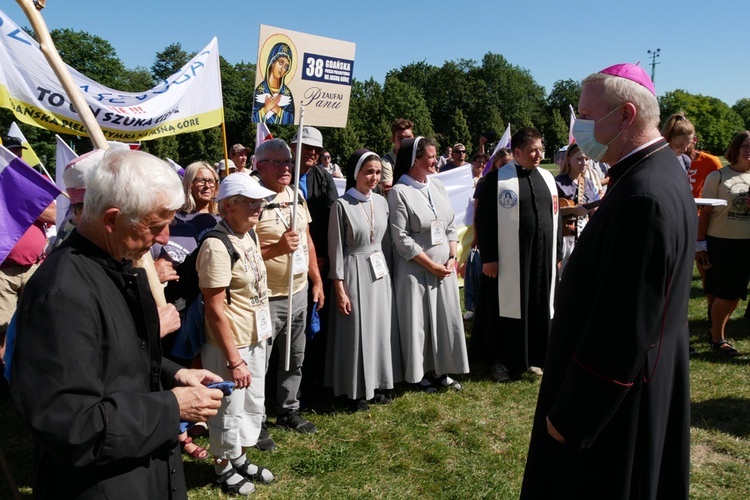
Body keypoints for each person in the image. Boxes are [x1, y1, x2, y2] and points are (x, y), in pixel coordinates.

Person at [522, 63, 695, 498]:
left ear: (626, 115)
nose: (577, 126)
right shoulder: (656, 172)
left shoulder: (644, 196)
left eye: (584, 114)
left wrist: (572, 414)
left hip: (613, 411)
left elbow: (622, 328)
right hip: (645, 384)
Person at [10, 148, 225, 498]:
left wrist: (173, 373)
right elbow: (72, 425)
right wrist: (173, 406)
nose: (164, 239)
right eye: (156, 226)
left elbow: (116, 351)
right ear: (112, 219)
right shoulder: (63, 293)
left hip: (140, 467)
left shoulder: (114, 264)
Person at [198, 173, 277, 495]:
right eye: (250, 201)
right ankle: (221, 466)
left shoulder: (249, 235)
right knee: (228, 408)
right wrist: (234, 361)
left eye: (260, 201)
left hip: (256, 334)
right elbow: (214, 308)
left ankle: (238, 457)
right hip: (232, 343)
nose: (258, 207)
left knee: (252, 402)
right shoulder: (216, 245)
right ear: (228, 207)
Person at [471, 128, 561, 382]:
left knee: (537, 303)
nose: (538, 154)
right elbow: (485, 220)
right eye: (532, 150)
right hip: (507, 261)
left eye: (540, 149)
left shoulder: (547, 178)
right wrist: (489, 257)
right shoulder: (496, 181)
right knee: (505, 308)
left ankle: (534, 356)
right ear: (517, 152)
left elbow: (555, 217)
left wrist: (556, 253)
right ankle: (500, 360)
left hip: (541, 258)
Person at [388, 136, 469, 392]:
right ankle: (420, 373)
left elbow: (449, 226)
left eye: (435, 156)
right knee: (419, 322)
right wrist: (430, 265)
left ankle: (441, 369)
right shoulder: (399, 192)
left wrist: (452, 257)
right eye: (431, 157)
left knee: (444, 319)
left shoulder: (438, 186)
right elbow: (400, 238)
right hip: (415, 269)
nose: (436, 161)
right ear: (414, 161)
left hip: (443, 267)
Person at [254, 138, 324, 435]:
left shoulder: (296, 195)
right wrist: (278, 249)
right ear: (259, 166)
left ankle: (288, 410)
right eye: (278, 162)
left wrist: (316, 280)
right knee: (261, 363)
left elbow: (306, 240)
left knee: (294, 356)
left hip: (297, 291)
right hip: (266, 296)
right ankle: (255, 420)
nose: (286, 167)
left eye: (287, 161)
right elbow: (240, 253)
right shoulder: (250, 199)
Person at [326, 149, 402, 410]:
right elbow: (335, 249)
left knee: (380, 327)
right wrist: (340, 288)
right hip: (353, 270)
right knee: (357, 330)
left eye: (378, 172)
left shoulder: (381, 202)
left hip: (379, 272)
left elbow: (386, 243)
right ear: (355, 173)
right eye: (369, 171)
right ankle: (355, 389)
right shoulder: (341, 205)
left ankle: (379, 382)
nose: (374, 177)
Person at [0, 137, 55, 393]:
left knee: (36, 321)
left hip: (33, 265)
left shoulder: (28, 184)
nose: (16, 158)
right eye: (10, 153)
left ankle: (30, 374)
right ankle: (4, 379)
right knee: (3, 327)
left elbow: (53, 213)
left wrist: (21, 200)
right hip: (4, 271)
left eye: (17, 153)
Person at [289, 127, 338, 399]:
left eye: (316, 149)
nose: (312, 153)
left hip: (317, 258)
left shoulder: (323, 178)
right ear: (293, 145)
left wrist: (325, 256)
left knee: (314, 318)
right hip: (284, 260)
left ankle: (312, 378)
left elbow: (332, 219)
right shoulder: (280, 177)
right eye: (306, 146)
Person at [697, 131, 750, 357]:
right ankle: (717, 337)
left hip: (746, 242)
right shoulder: (717, 177)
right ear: (736, 148)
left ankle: (715, 332)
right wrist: (700, 243)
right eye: (747, 146)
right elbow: (705, 212)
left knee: (736, 293)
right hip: (721, 241)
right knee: (726, 292)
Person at [555, 143, 600, 271]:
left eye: (586, 159)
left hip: (583, 235)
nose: (584, 163)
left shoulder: (589, 183)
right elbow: (548, 211)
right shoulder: (557, 182)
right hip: (563, 238)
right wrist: (571, 210)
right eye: (579, 159)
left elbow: (594, 211)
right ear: (568, 159)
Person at [252, 42, 295, 125]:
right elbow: (252, 116)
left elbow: (293, 119)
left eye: (286, 66)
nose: (282, 68)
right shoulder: (260, 90)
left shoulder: (287, 93)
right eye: (281, 62)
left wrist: (277, 109)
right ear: (272, 62)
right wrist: (265, 109)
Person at [379, 118, 414, 195]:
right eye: (401, 138)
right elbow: (389, 190)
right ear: (393, 140)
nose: (405, 141)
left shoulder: (418, 158)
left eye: (409, 137)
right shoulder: (386, 162)